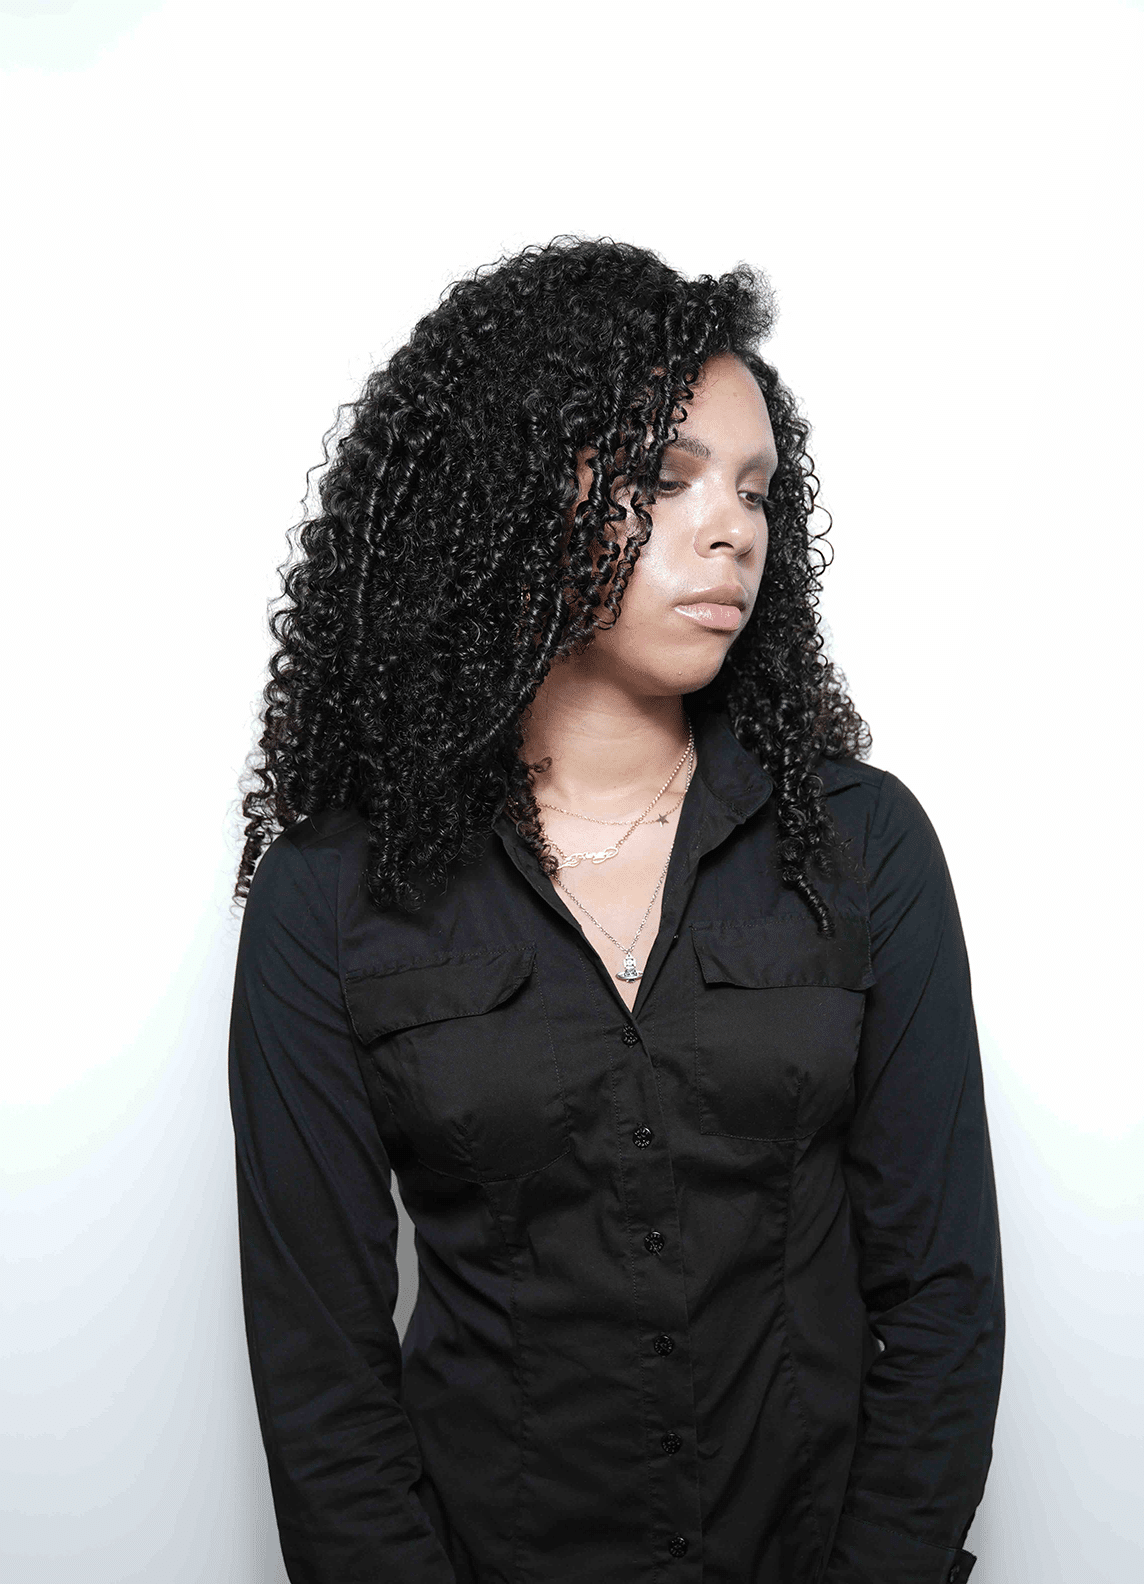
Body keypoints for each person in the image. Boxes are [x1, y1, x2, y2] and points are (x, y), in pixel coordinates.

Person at [228, 236, 1003, 1584]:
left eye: (756, 489)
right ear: (510, 497)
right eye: (665, 478)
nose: (733, 530)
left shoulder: (860, 843)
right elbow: (320, 1374)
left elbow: (942, 1297)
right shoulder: (333, 893)